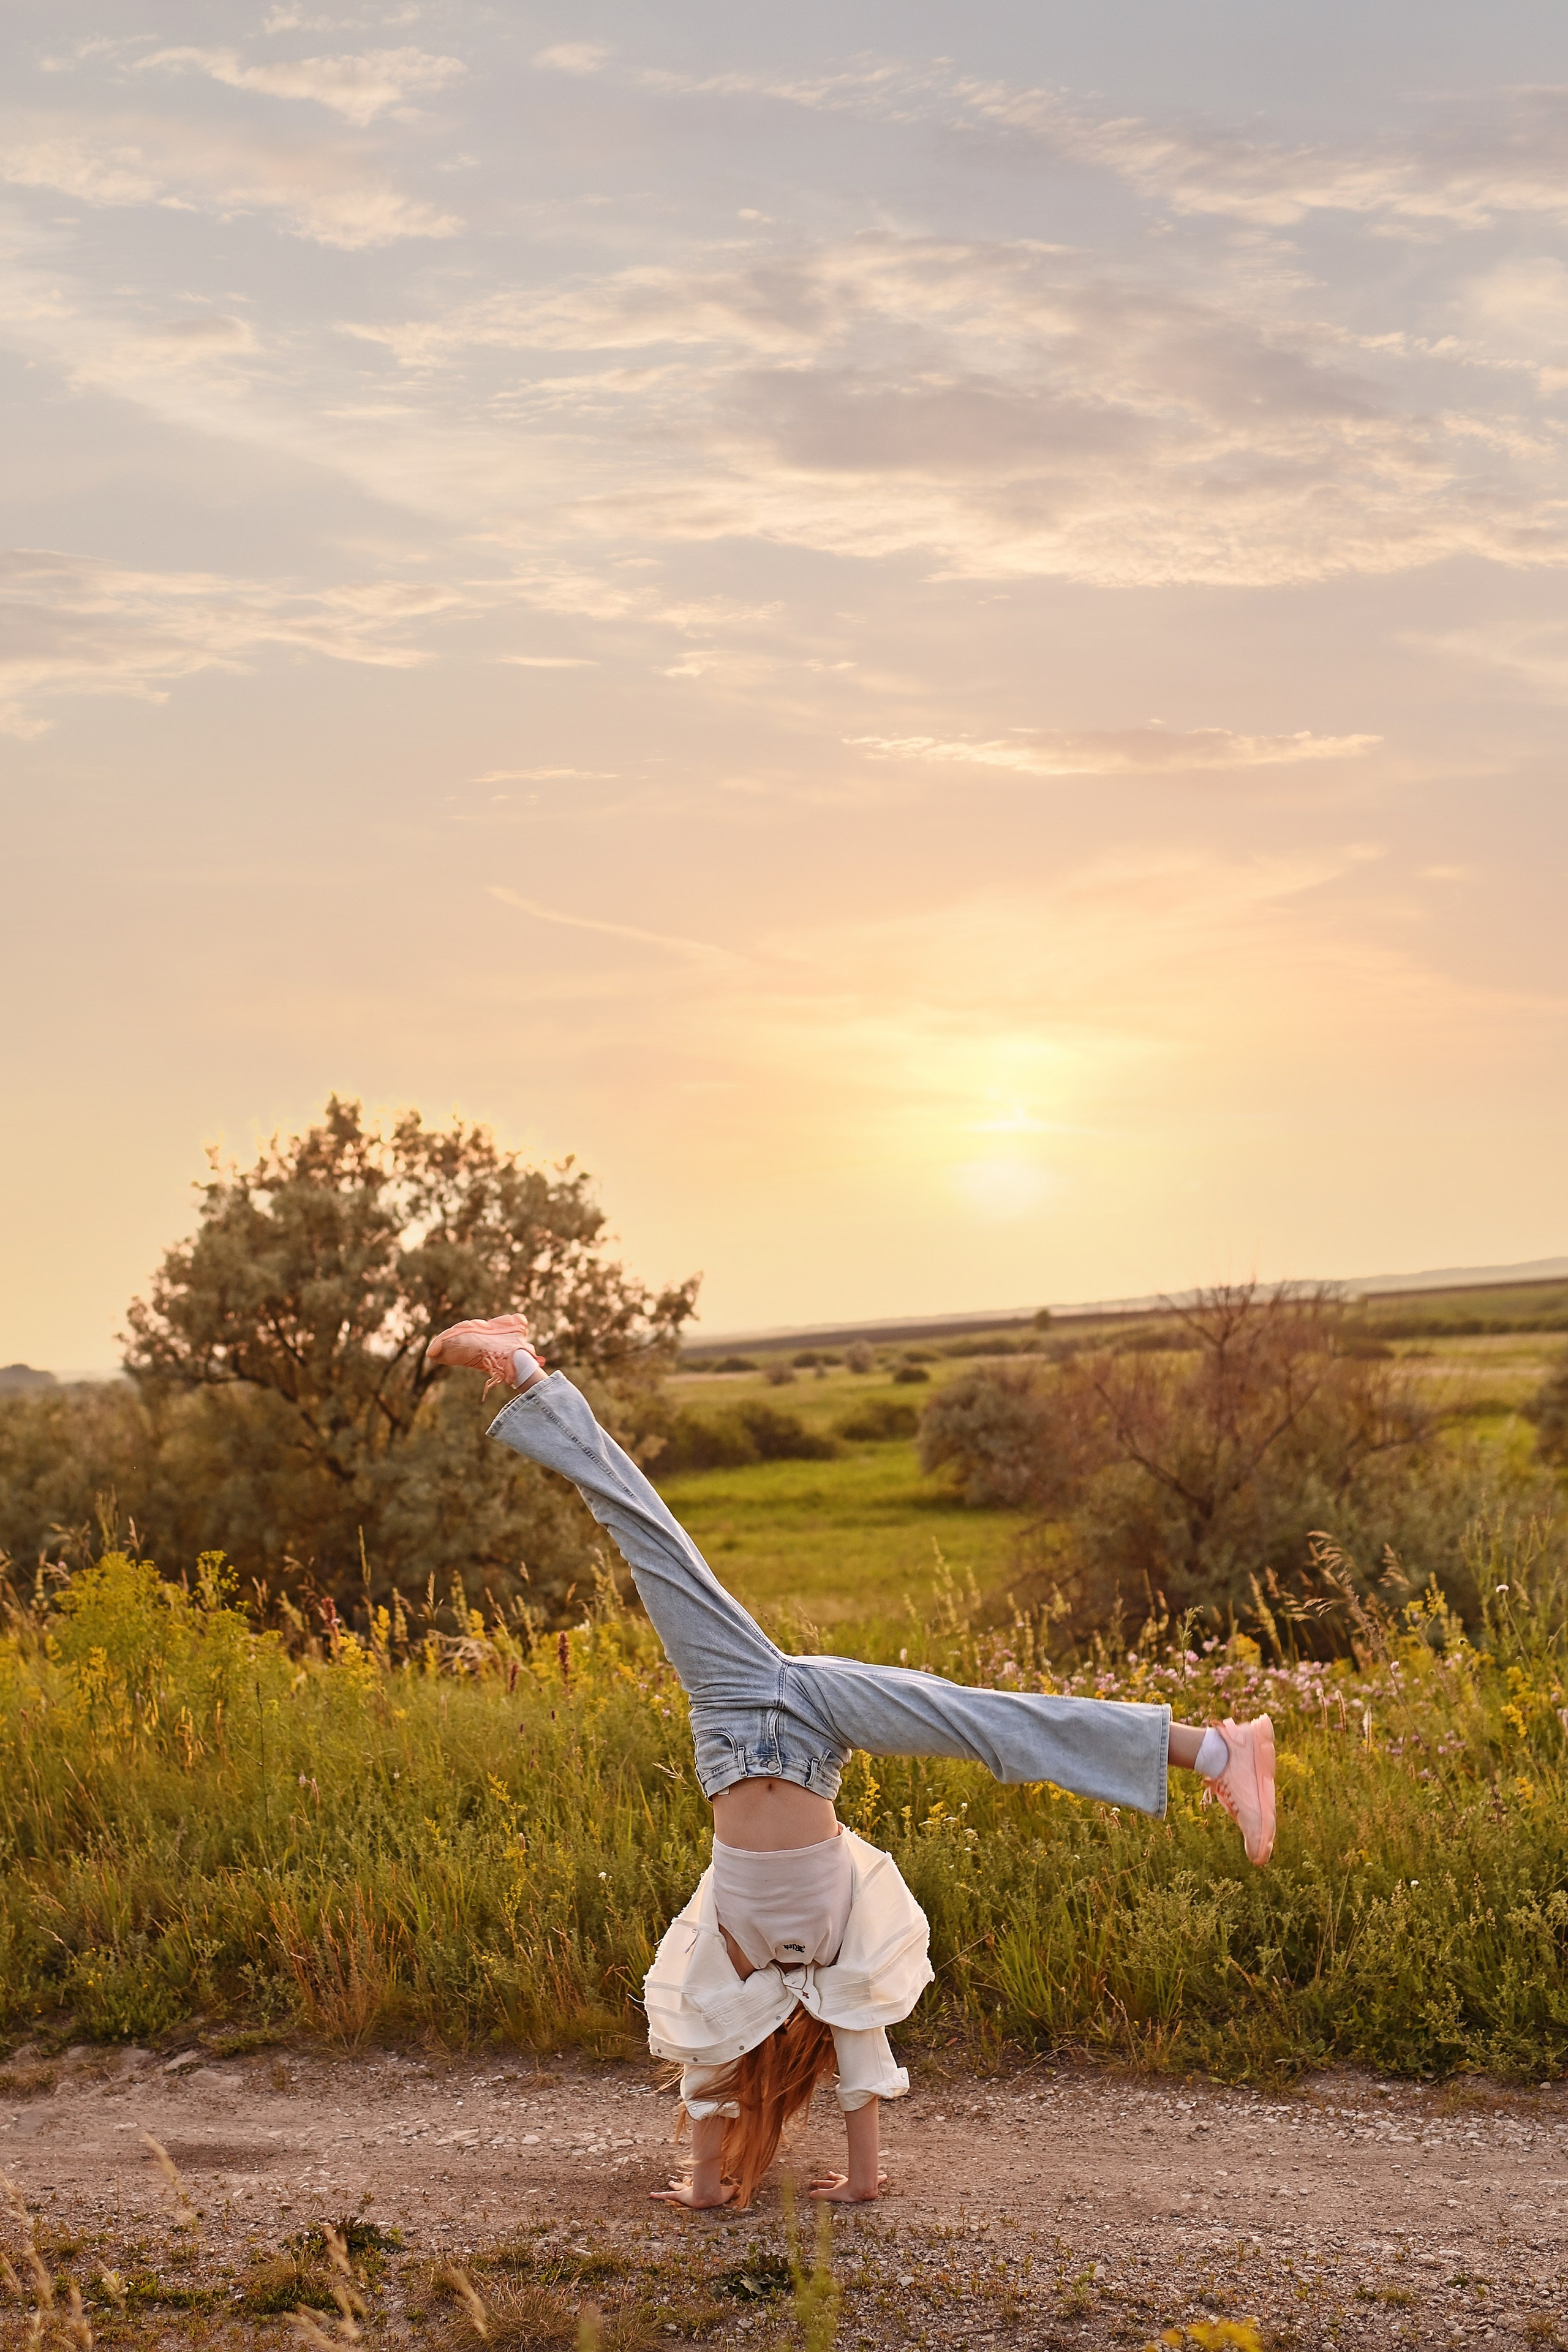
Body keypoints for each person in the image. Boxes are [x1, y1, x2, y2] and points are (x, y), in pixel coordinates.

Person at [426, 1315, 1277, 2210]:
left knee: (649, 1536)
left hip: (738, 1711)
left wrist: (711, 2193)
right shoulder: (837, 1976)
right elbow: (831, 2080)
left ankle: (520, 1366)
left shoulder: (731, 1980)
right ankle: (1217, 1749)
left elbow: (711, 2078)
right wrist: (846, 2183)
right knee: (984, 1724)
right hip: (802, 1719)